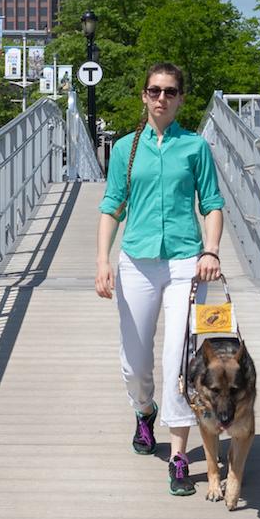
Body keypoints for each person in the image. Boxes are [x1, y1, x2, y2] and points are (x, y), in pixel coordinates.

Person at [93, 62, 226, 497]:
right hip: (137, 261)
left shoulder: (195, 147)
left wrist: (211, 251)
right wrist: (102, 260)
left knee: (178, 359)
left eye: (170, 92)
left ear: (181, 98)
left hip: (186, 260)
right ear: (144, 95)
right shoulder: (126, 149)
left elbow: (211, 203)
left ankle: (178, 457)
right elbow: (112, 205)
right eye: (154, 90)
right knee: (135, 361)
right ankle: (143, 411)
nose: (161, 98)